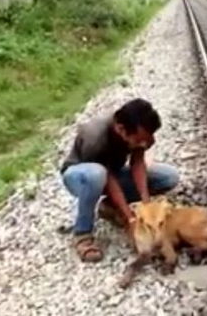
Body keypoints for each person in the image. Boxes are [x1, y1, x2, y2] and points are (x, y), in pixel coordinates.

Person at [60, 98, 179, 262]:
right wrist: (129, 216)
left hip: (112, 172)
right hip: (81, 176)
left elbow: (137, 163)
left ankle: (108, 207)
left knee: (168, 177)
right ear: (121, 130)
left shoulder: (141, 133)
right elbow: (108, 179)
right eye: (138, 140)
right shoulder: (95, 136)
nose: (143, 143)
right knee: (97, 175)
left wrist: (146, 204)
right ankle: (82, 234)